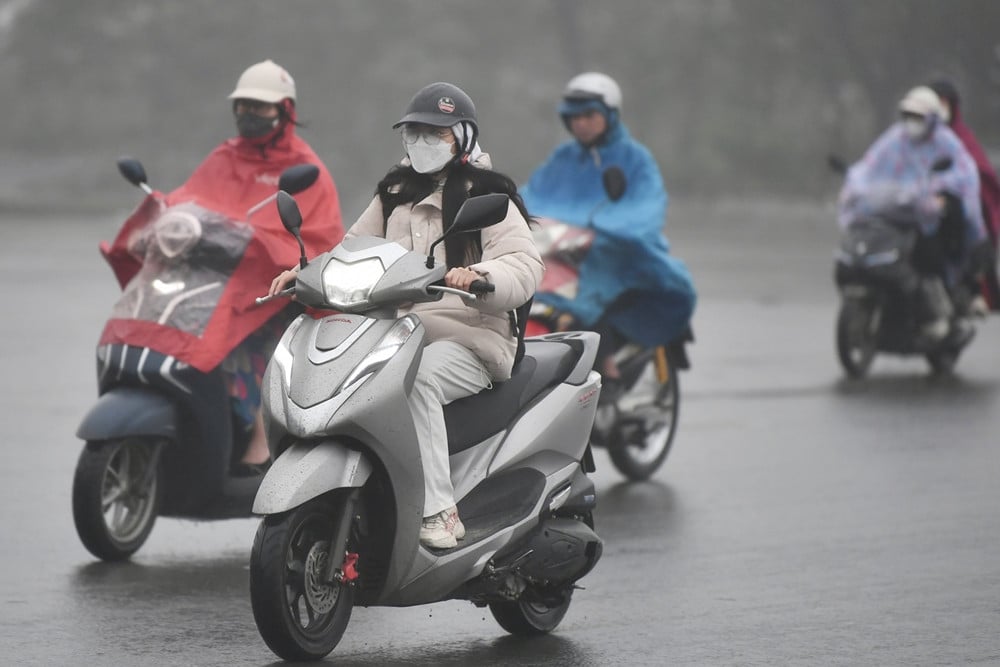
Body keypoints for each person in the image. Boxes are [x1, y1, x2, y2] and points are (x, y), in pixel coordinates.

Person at [268, 82, 542, 549]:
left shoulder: (488, 194)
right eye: (414, 132)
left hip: (471, 339)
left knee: (416, 381)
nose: (422, 141)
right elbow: (351, 250)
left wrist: (479, 276)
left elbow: (523, 263)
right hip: (398, 332)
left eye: (435, 133)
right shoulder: (395, 192)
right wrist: (307, 271)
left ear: (463, 137)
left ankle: (440, 511)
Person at [105, 59, 344, 474]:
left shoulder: (304, 170)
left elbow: (318, 239)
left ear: (285, 110)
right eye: (243, 107)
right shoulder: (225, 156)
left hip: (276, 289)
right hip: (216, 281)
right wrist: (165, 213)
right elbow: (191, 199)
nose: (249, 116)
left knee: (251, 340)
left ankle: (258, 438)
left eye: (261, 107)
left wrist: (264, 247)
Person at [519, 72, 695, 388]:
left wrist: (602, 230)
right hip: (564, 248)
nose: (581, 123)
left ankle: (606, 367)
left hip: (619, 252)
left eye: (589, 115)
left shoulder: (635, 159)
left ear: (610, 115)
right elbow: (534, 195)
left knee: (587, 288)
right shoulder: (564, 158)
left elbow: (646, 207)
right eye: (574, 117)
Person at [838, 85, 987, 340]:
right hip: (895, 212)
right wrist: (856, 184)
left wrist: (939, 189)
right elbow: (870, 165)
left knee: (927, 258)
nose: (912, 122)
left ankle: (939, 311)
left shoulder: (946, 142)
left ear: (932, 119)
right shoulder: (895, 139)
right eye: (909, 115)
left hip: (927, 217)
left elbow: (964, 174)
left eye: (919, 117)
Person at [927, 78, 1000, 313]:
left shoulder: (961, 137)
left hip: (957, 199)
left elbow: (978, 170)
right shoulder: (916, 135)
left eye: (944, 103)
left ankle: (975, 287)